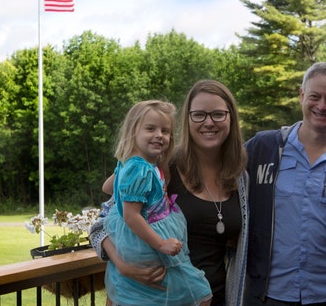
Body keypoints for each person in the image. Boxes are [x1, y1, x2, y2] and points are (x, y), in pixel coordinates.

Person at [91, 80, 249, 306]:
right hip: (154, 295)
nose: (209, 122)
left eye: (218, 114)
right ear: (187, 119)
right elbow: (103, 222)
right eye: (199, 115)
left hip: (214, 296)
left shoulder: (240, 176)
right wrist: (123, 265)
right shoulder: (161, 165)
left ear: (231, 118)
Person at [243, 62, 326, 305]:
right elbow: (215, 176)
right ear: (301, 96)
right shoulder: (262, 148)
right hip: (267, 294)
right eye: (315, 96)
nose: (322, 106)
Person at [102, 100, 212, 306]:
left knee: (152, 292)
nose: (160, 135)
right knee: (200, 292)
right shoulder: (140, 169)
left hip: (141, 236)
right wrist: (161, 243)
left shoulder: (136, 164)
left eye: (166, 131)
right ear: (133, 132)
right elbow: (131, 215)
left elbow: (107, 188)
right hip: (146, 239)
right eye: (150, 129)